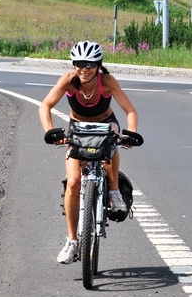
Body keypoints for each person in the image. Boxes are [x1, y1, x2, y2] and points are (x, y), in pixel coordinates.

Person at [39, 40, 139, 264]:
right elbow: (45, 106)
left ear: (98, 66)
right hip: (78, 128)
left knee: (112, 138)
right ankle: (72, 241)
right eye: (79, 64)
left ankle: (114, 191)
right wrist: (50, 131)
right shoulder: (68, 81)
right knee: (73, 181)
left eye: (90, 64)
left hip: (106, 124)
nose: (84, 69)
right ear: (73, 65)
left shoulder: (107, 82)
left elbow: (130, 110)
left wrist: (131, 133)